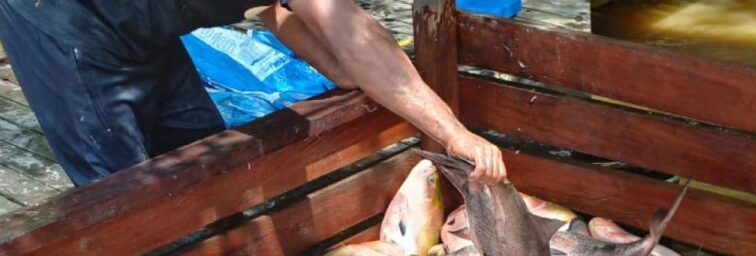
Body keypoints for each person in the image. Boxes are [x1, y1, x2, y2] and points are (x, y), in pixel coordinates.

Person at [0, 0, 506, 187]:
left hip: (149, 25)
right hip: (63, 23)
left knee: (198, 156)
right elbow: (356, 33)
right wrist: (455, 134)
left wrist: (340, 69)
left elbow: (279, 11)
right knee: (117, 193)